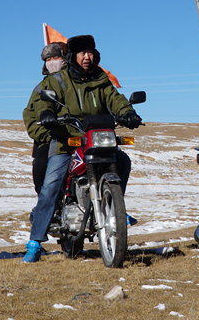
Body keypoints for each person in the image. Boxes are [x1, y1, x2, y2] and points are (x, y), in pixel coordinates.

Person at [22, 34, 142, 263]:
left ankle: (114, 206)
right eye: (82, 53)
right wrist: (46, 113)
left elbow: (115, 98)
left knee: (123, 161)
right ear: (73, 57)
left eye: (90, 53)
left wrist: (127, 112)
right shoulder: (58, 80)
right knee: (51, 185)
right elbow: (43, 102)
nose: (87, 57)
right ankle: (35, 242)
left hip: (95, 139)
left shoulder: (101, 79)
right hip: (67, 141)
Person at [24, 42, 69, 195]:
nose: (52, 62)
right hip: (50, 139)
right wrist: (46, 134)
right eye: (48, 59)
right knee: (41, 165)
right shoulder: (41, 87)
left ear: (65, 58)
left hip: (79, 135)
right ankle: (46, 203)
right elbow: (30, 115)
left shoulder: (78, 82)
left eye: (56, 58)